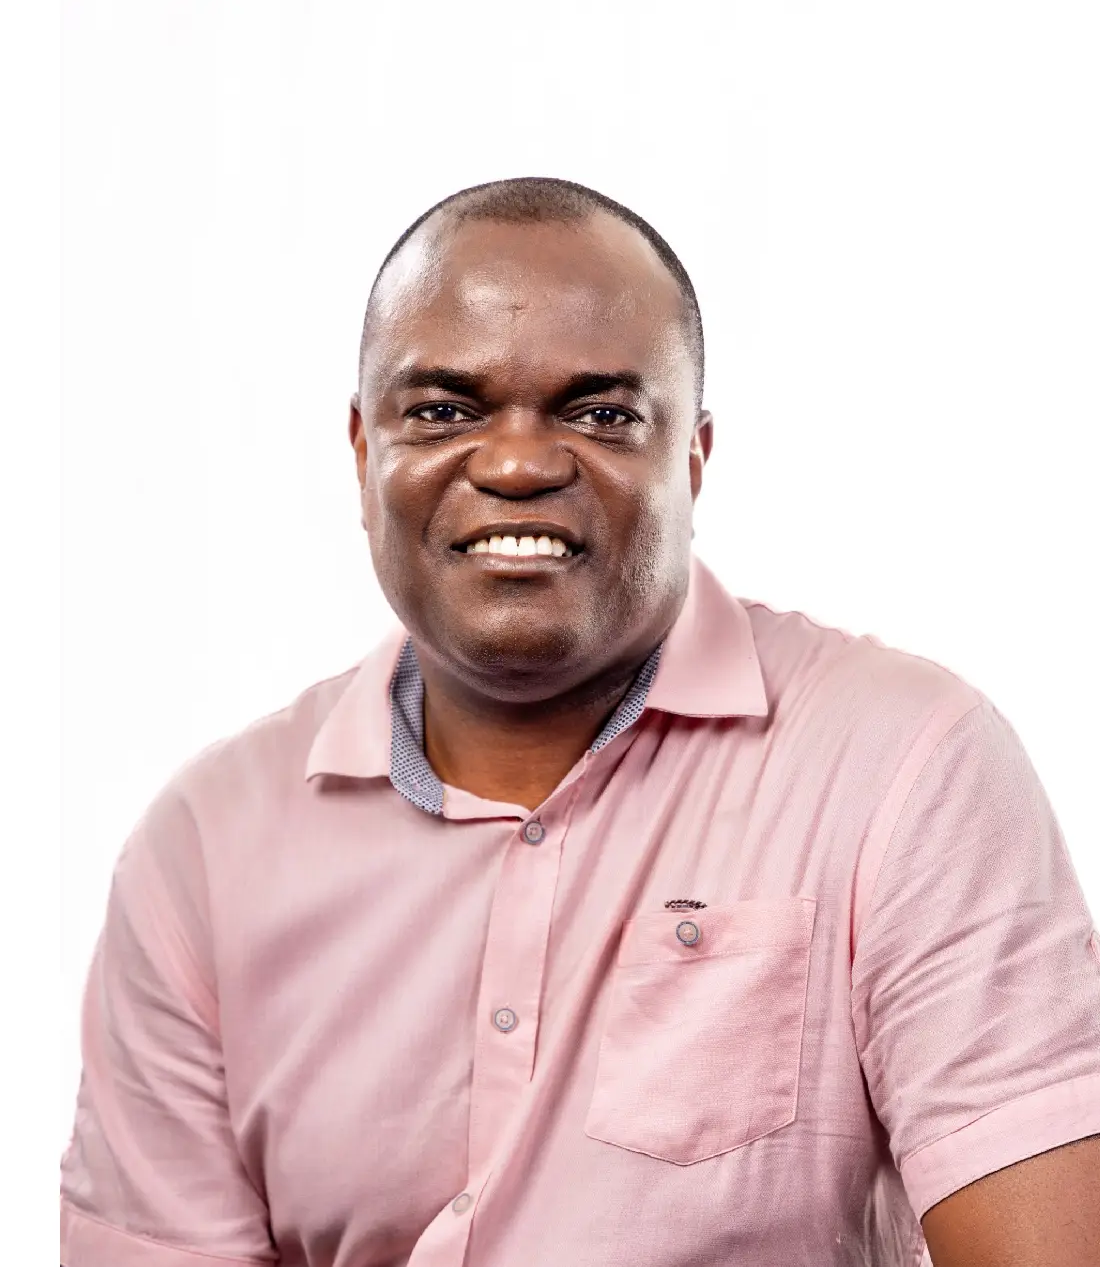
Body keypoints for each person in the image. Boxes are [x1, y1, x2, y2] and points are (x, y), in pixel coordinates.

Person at [60, 176, 1100, 1267]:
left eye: (600, 413)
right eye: (444, 411)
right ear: (364, 454)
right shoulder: (204, 851)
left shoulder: (902, 765)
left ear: (691, 459)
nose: (516, 464)